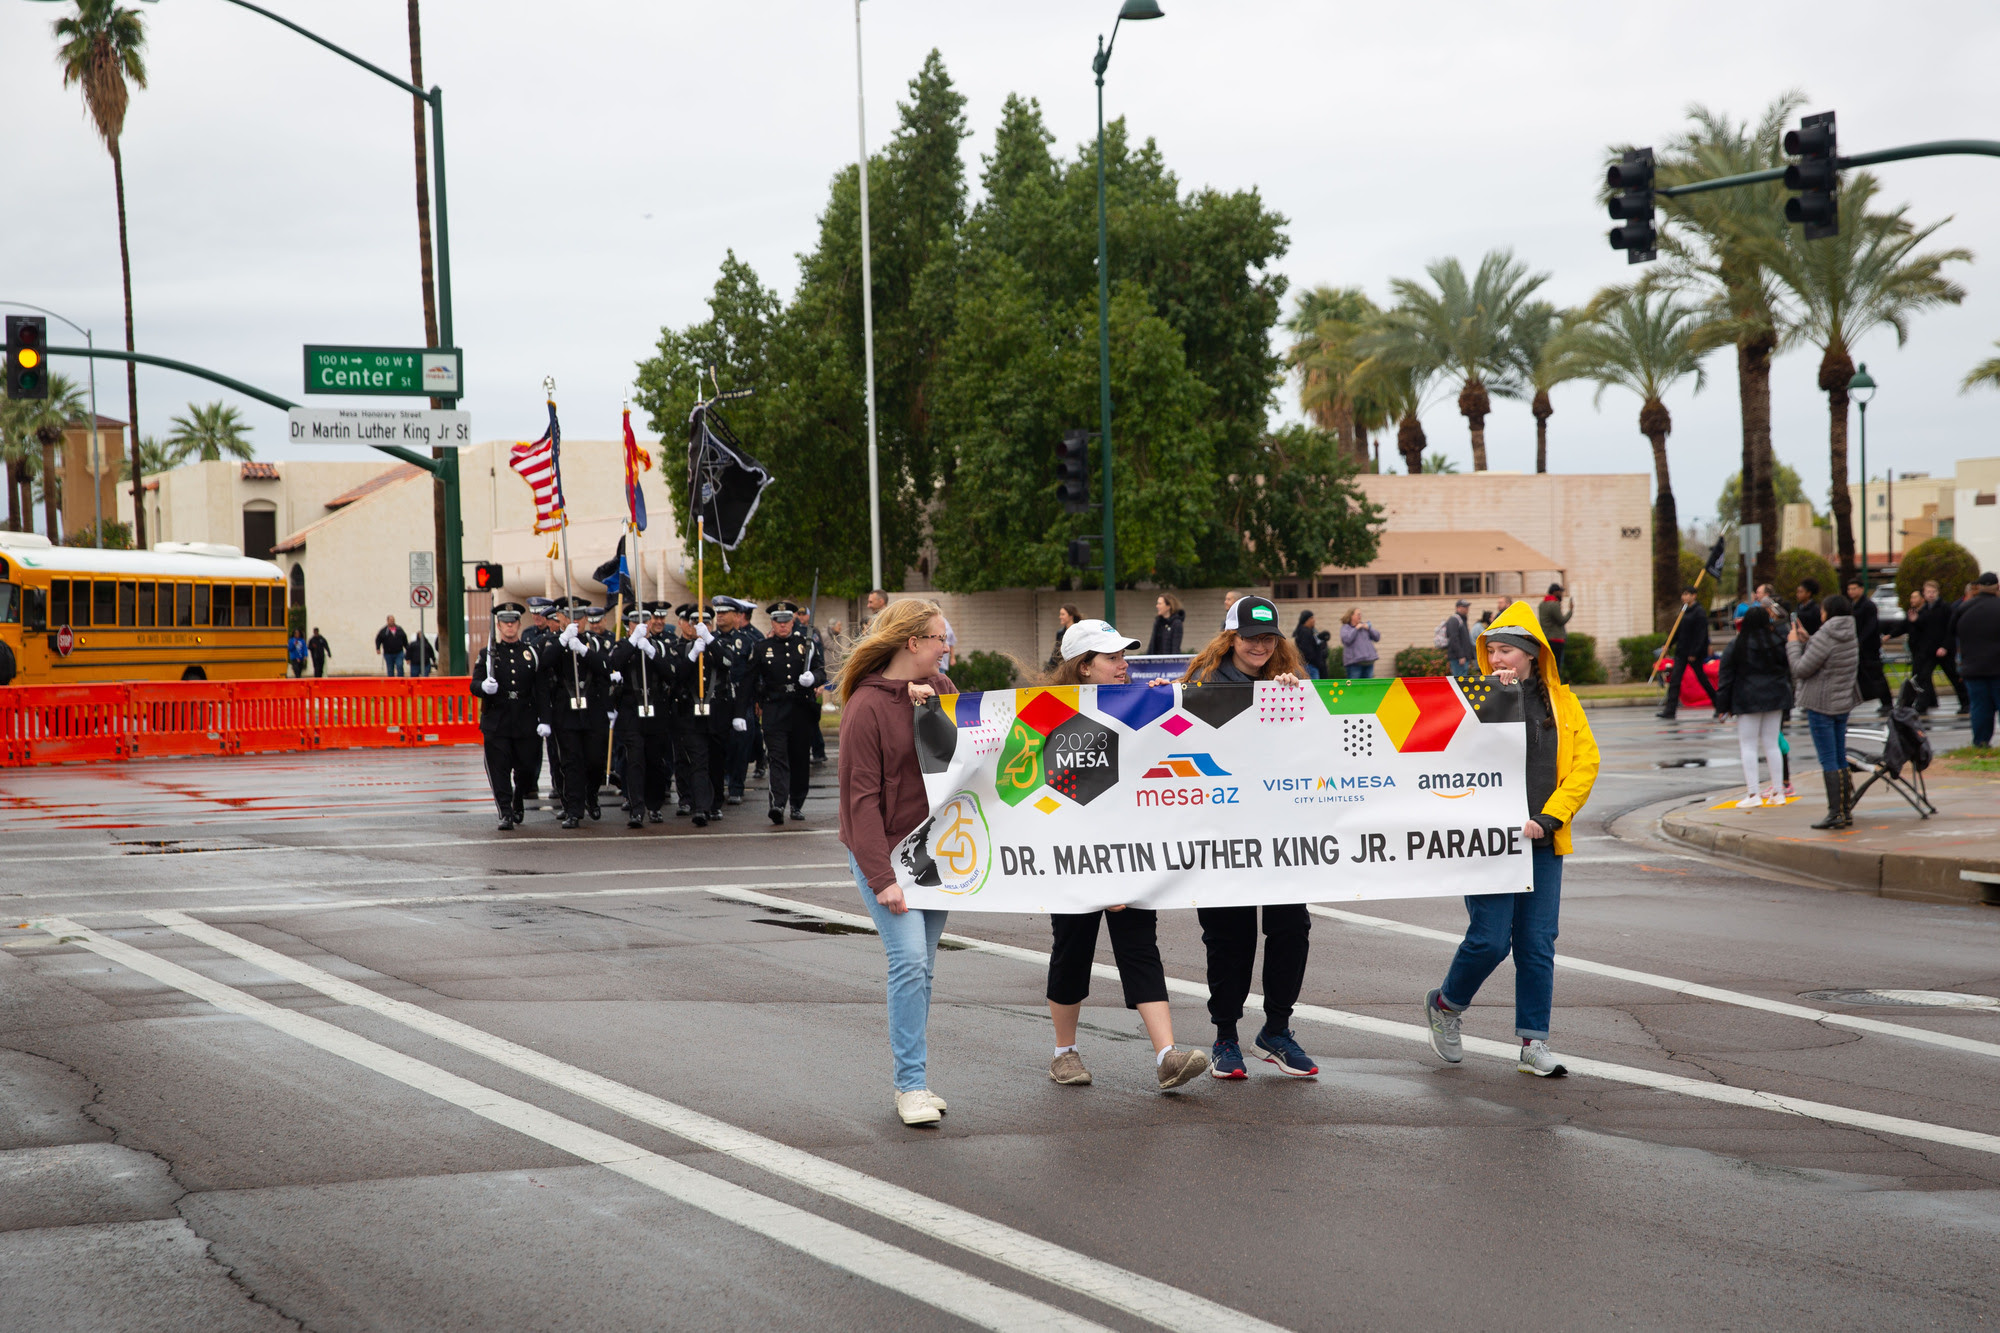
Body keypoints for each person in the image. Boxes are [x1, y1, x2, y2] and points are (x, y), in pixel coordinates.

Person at [1423, 602, 1600, 1078]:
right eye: (1492, 651)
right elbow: (1439, 755)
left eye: (1507, 651)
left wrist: (1550, 817)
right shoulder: (1471, 696)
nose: (1498, 658)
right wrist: (1489, 700)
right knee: (1489, 941)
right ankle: (1444, 1004)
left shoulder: (1564, 703)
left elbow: (1585, 766)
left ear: (1532, 655)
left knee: (1537, 944)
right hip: (1489, 844)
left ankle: (1533, 1044)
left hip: (1542, 839)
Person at [1041, 619, 1209, 1091]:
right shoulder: (1049, 717)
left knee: (1139, 947)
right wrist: (1095, 874)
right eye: (1112, 658)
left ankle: (1167, 1056)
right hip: (1073, 860)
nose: (1123, 665)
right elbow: (1045, 797)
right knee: (1071, 951)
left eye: (1123, 656)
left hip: (1130, 858)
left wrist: (1167, 699)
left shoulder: (1142, 705)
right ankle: (1064, 1054)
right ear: (1082, 668)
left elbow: (1186, 739)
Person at [1177, 595, 1320, 1081]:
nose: (1259, 645)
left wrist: (1294, 696)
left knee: (1291, 929)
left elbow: (1319, 744)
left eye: (1267, 638)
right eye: (1249, 636)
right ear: (1230, 637)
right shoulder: (1200, 686)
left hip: (1280, 835)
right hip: (1222, 836)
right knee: (1228, 938)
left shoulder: (1293, 684)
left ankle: (1276, 1031)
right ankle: (1225, 1037)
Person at [836, 598, 958, 1126]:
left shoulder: (943, 691)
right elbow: (859, 801)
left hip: (933, 855)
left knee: (923, 969)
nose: (946, 646)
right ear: (913, 643)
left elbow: (989, 739)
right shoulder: (863, 707)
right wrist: (882, 879)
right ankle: (909, 1086)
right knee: (908, 960)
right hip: (883, 855)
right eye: (938, 638)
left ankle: (919, 1082)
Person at [472, 602, 549, 831]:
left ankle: (518, 798)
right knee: (499, 769)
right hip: (498, 720)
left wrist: (545, 719)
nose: (509, 626)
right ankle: (505, 811)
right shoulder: (488, 654)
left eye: (513, 622)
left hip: (525, 720)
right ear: (498, 625)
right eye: (505, 622)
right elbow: (474, 685)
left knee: (527, 768)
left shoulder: (531, 652)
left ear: (518, 624)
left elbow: (541, 689)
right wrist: (484, 686)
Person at [1788, 592, 1860, 831]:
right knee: (1839, 756)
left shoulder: (1826, 635)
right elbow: (1827, 659)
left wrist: (1792, 644)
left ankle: (1835, 814)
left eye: (1822, 610)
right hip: (1841, 703)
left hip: (1821, 704)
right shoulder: (1849, 633)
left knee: (1828, 759)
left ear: (1829, 612)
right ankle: (1845, 810)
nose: (1820, 614)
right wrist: (1809, 640)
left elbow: (1800, 668)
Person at [540, 601, 611, 829]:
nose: (576, 621)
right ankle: (573, 810)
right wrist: (563, 643)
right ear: (559, 617)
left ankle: (591, 794)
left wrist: (583, 650)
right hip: (565, 712)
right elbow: (543, 665)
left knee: (595, 761)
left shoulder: (595, 642)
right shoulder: (552, 642)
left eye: (580, 617)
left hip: (593, 710)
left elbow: (607, 668)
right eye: (570, 616)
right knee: (571, 762)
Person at [1715, 605, 1792, 809]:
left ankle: (1753, 793)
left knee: (1748, 745)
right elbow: (1788, 669)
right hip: (1775, 697)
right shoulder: (1778, 642)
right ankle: (1778, 791)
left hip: (1747, 699)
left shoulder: (1737, 645)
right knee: (1772, 743)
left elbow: (1725, 677)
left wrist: (1722, 706)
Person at [750, 601, 819, 825]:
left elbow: (820, 669)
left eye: (787, 621)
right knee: (777, 758)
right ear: (772, 622)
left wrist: (814, 678)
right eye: (778, 622)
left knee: (799, 758)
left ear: (793, 621)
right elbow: (750, 680)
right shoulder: (761, 647)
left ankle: (797, 803)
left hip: (800, 708)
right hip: (775, 708)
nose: (783, 626)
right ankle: (778, 804)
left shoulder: (805, 644)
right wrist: (746, 708)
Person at [608, 603, 674, 828]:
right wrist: (633, 642)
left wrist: (652, 651)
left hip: (656, 711)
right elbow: (613, 664)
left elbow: (670, 674)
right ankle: (637, 809)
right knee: (635, 760)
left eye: (644, 621)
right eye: (636, 621)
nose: (642, 625)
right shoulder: (623, 646)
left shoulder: (660, 646)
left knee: (655, 761)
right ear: (628, 625)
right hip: (631, 711)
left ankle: (654, 806)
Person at [665, 603, 725, 827]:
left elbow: (728, 662)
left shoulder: (717, 645)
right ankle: (701, 808)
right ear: (687, 625)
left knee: (716, 762)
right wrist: (692, 656)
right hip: (690, 715)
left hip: (716, 714)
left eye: (706, 622)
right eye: (695, 622)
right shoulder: (679, 649)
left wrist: (710, 641)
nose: (699, 626)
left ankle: (715, 804)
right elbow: (675, 676)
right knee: (698, 761)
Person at [1656, 587, 1720, 719]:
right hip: (1681, 651)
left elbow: (1701, 634)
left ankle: (1719, 705)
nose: (1684, 597)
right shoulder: (1684, 611)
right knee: (1675, 680)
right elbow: (1677, 630)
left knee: (1702, 679)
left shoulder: (1699, 612)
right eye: (1683, 594)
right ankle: (1670, 711)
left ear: (1694, 596)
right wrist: (1668, 643)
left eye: (1687, 594)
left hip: (1693, 653)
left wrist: (1695, 652)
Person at [1953, 572, 2000, 748]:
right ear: (1997, 586)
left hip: (1972, 667)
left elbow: (1952, 633)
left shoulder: (1964, 608)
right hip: (1997, 667)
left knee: (1980, 708)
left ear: (1978, 587)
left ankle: (1980, 742)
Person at [1911, 580, 1969, 715]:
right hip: (1929, 651)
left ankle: (1966, 702)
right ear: (1924, 594)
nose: (1931, 595)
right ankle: (1922, 704)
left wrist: (1945, 646)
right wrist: (1915, 621)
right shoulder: (1924, 610)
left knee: (1953, 676)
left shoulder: (1945, 608)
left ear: (1938, 593)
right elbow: (1922, 630)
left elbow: (1950, 629)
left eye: (1933, 592)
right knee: (1923, 677)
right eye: (1928, 592)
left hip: (1944, 650)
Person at [1844, 578, 1892, 716]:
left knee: (1876, 674)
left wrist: (1860, 640)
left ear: (1861, 589)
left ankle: (1887, 702)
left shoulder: (1868, 605)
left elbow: (1871, 626)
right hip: (1856, 646)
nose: (1851, 592)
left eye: (1854, 588)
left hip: (1869, 648)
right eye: (1849, 589)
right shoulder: (1852, 605)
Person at [1537, 583, 1573, 675]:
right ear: (1555, 592)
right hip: (1556, 639)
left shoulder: (1542, 604)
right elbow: (1561, 620)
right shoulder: (1554, 604)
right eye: (1560, 592)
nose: (1562, 595)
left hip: (1546, 637)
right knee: (1556, 665)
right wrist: (1570, 611)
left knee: (1548, 664)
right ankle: (1556, 686)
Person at [1339, 608, 1380, 678]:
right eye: (1358, 614)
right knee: (1355, 687)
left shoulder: (1364, 627)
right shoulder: (1346, 628)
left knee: (1367, 686)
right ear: (1351, 616)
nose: (1360, 616)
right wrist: (1356, 629)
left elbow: (1377, 637)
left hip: (1368, 662)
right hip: (1354, 664)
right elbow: (1347, 640)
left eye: (1360, 614)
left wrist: (1369, 629)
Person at [1441, 598, 1477, 677]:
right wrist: (1460, 656)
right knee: (1459, 681)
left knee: (1462, 680)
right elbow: (1454, 639)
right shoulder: (1454, 620)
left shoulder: (1462, 620)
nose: (1467, 609)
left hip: (1463, 657)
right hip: (1458, 658)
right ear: (1458, 608)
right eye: (1464, 607)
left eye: (1467, 607)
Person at [1292, 611, 1330, 679]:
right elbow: (1307, 650)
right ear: (1306, 620)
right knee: (1313, 687)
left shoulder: (1308, 631)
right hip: (1310, 666)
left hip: (1309, 665)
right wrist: (1317, 661)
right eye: (1311, 618)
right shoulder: (1305, 632)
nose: (1313, 620)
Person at [1047, 604, 1083, 671]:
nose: (1060, 617)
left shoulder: (1080, 631)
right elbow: (1055, 655)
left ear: (1071, 616)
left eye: (1063, 614)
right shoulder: (1060, 633)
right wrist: (1045, 671)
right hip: (1064, 670)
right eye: (1060, 614)